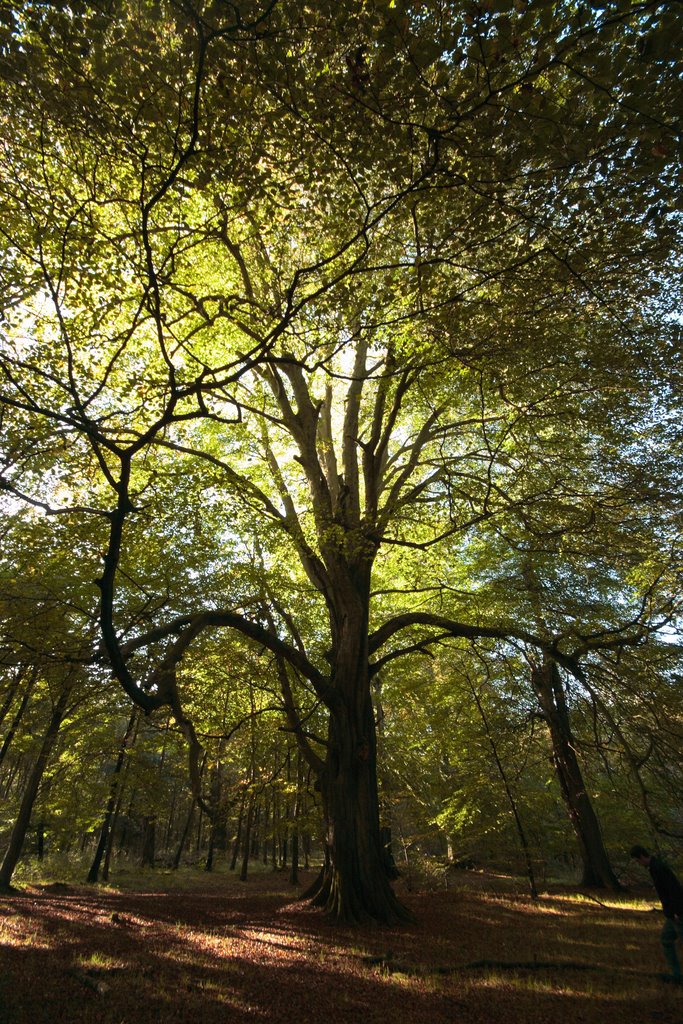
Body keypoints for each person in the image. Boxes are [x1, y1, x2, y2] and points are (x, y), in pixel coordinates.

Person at [631, 844, 683, 984]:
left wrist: (677, 911)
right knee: (666, 940)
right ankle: (677, 975)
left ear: (642, 856)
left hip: (677, 913)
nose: (638, 864)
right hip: (672, 914)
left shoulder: (658, 868)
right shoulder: (655, 868)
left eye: (638, 860)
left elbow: (673, 890)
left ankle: (678, 975)